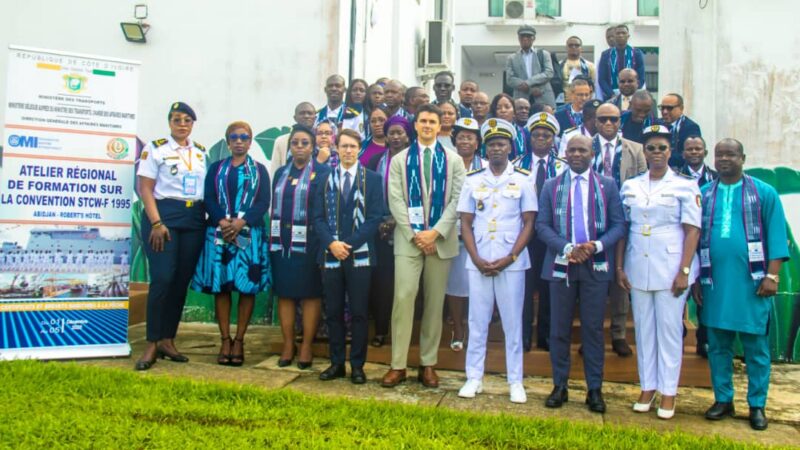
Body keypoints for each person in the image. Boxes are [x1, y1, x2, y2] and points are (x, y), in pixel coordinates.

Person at [694, 138, 789, 431]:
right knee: (718, 346)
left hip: (753, 284)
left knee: (755, 349)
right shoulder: (705, 194)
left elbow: (776, 235)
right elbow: (693, 240)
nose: (725, 159)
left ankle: (757, 405)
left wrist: (772, 276)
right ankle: (724, 399)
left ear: (742, 157)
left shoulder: (764, 193)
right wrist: (695, 277)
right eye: (720, 155)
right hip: (715, 283)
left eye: (731, 154)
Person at [616, 124, 701, 419]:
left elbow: (692, 231)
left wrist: (685, 270)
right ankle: (647, 386)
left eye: (662, 147)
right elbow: (624, 228)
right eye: (650, 147)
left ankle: (668, 392)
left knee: (668, 332)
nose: (656, 153)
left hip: (670, 266)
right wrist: (619, 266)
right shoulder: (632, 185)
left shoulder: (685, 185)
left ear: (670, 151)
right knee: (643, 330)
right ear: (644, 151)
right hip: (638, 263)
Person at [536, 135, 626, 413]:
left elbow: (619, 225)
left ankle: (594, 389)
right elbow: (542, 225)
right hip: (562, 264)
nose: (576, 154)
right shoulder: (552, 186)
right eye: (572, 150)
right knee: (559, 329)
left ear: (592, 153)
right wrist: (567, 247)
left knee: (593, 330)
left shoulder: (608, 185)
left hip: (595, 266)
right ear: (565, 153)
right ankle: (559, 385)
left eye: (582, 150)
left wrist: (594, 246)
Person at [381, 103, 467, 388]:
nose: (428, 126)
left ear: (441, 126)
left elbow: (457, 201)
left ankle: (428, 363)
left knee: (434, 303)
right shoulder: (399, 160)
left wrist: (435, 233)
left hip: (440, 242)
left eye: (433, 121)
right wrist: (416, 233)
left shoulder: (453, 161)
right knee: (403, 298)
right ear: (415, 125)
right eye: (423, 121)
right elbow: (395, 200)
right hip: (408, 241)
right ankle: (398, 364)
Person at [457, 118, 536, 403]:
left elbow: (529, 222)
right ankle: (473, 377)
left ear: (510, 147)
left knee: (512, 323)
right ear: (485, 149)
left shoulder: (523, 179)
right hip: (478, 259)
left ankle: (515, 381)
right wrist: (476, 257)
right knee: (476, 321)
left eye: (501, 144)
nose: (496, 149)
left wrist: (510, 257)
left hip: (511, 261)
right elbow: (465, 222)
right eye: (491, 145)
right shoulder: (473, 179)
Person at [134, 102, 208, 371]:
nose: (182, 124)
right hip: (163, 217)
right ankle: (152, 342)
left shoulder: (200, 152)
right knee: (163, 278)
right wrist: (156, 222)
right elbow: (145, 187)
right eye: (177, 119)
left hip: (193, 219)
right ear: (169, 122)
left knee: (179, 282)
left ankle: (168, 339)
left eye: (187, 120)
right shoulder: (155, 148)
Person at [192, 121, 271, 367]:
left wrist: (241, 222)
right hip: (219, 234)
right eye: (234, 137)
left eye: (244, 137)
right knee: (222, 289)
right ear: (228, 142)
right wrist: (223, 222)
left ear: (250, 141)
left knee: (246, 288)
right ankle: (225, 339)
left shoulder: (260, 170)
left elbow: (263, 202)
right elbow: (209, 198)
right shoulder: (216, 168)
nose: (239, 141)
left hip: (249, 235)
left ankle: (239, 340)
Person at [313, 129, 383, 384]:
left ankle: (357, 366)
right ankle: (336, 363)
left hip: (359, 256)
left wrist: (348, 245)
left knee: (359, 312)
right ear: (336, 148)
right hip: (330, 254)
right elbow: (317, 218)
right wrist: (332, 243)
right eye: (343, 146)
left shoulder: (372, 179)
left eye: (353, 146)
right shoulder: (323, 179)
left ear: (359, 149)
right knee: (332, 312)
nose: (348, 151)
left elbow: (375, 218)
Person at [271, 124, 332, 370]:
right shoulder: (281, 173)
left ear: (313, 146)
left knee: (310, 294)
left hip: (310, 243)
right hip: (281, 244)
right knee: (285, 293)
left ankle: (306, 345)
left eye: (304, 143)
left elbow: (327, 209)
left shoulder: (324, 171)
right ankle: (288, 344)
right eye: (295, 143)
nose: (299, 147)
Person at [591, 103, 647, 356]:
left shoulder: (634, 150)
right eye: (603, 119)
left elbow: (643, 182)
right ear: (595, 121)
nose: (608, 124)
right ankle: (591, 335)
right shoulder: (584, 145)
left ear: (620, 122)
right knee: (591, 280)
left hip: (622, 220)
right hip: (590, 220)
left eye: (613, 119)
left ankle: (619, 334)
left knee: (620, 279)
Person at [515, 112, 565, 352]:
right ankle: (523, 335)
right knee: (523, 286)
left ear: (553, 139)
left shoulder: (562, 167)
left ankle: (545, 336)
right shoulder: (516, 165)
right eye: (536, 135)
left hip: (552, 237)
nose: (541, 139)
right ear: (529, 138)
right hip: (523, 236)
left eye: (546, 135)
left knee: (549, 286)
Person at [366, 116, 413, 347]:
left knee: (406, 283)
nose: (395, 137)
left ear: (407, 135)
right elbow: (368, 194)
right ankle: (382, 330)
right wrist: (379, 222)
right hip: (379, 228)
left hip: (408, 227)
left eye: (400, 133)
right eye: (391, 133)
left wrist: (396, 220)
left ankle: (404, 332)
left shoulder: (413, 160)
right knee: (382, 282)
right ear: (385, 136)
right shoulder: (375, 160)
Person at [445, 118, 487, 352]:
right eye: (461, 136)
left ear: (478, 142)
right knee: (454, 285)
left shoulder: (487, 165)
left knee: (477, 286)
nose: (465, 140)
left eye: (470, 137)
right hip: (451, 234)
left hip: (480, 237)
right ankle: (458, 329)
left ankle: (475, 330)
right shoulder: (447, 163)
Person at [680, 135, 718, 358]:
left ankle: (704, 341)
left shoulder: (715, 177)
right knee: (679, 297)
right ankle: (679, 337)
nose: (694, 152)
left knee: (706, 295)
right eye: (689, 149)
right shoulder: (675, 177)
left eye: (698, 149)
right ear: (683, 153)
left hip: (707, 246)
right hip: (683, 244)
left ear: (704, 152)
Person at [505, 25, 555, 108]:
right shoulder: (512, 58)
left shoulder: (543, 54)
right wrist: (530, 90)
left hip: (543, 97)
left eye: (528, 36)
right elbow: (510, 79)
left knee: (545, 120)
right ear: (519, 38)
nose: (525, 38)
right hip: (521, 99)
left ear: (534, 38)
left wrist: (528, 83)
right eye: (522, 36)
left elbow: (549, 72)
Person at [598, 24, 645, 101]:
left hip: (632, 96)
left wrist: (634, 93)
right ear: (614, 36)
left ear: (628, 36)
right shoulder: (606, 54)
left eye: (623, 33)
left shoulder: (636, 53)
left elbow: (641, 78)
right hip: (612, 96)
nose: (620, 35)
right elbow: (602, 79)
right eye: (618, 33)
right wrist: (612, 94)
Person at [270, 102, 316, 177]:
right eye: (302, 113)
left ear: (315, 118)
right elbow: (275, 170)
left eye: (310, 113)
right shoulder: (281, 141)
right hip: (285, 184)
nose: (306, 116)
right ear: (295, 118)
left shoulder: (321, 140)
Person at [658, 93, 702, 168]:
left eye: (669, 108)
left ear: (681, 108)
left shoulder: (690, 127)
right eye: (662, 108)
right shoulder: (656, 125)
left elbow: (689, 154)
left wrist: (663, 157)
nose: (665, 112)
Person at [560, 36, 596, 105]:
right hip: (563, 102)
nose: (573, 47)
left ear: (581, 48)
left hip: (583, 102)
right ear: (566, 48)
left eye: (577, 45)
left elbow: (594, 86)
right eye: (570, 45)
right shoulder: (559, 65)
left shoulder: (590, 66)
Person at [489, 93, 526, 160]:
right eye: (498, 108)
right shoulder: (488, 132)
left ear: (514, 112)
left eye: (507, 107)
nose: (503, 110)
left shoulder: (525, 133)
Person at [594, 26, 616, 100]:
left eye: (613, 36)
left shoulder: (631, 54)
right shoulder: (604, 56)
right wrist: (611, 94)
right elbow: (601, 79)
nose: (610, 39)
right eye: (608, 37)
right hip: (610, 96)